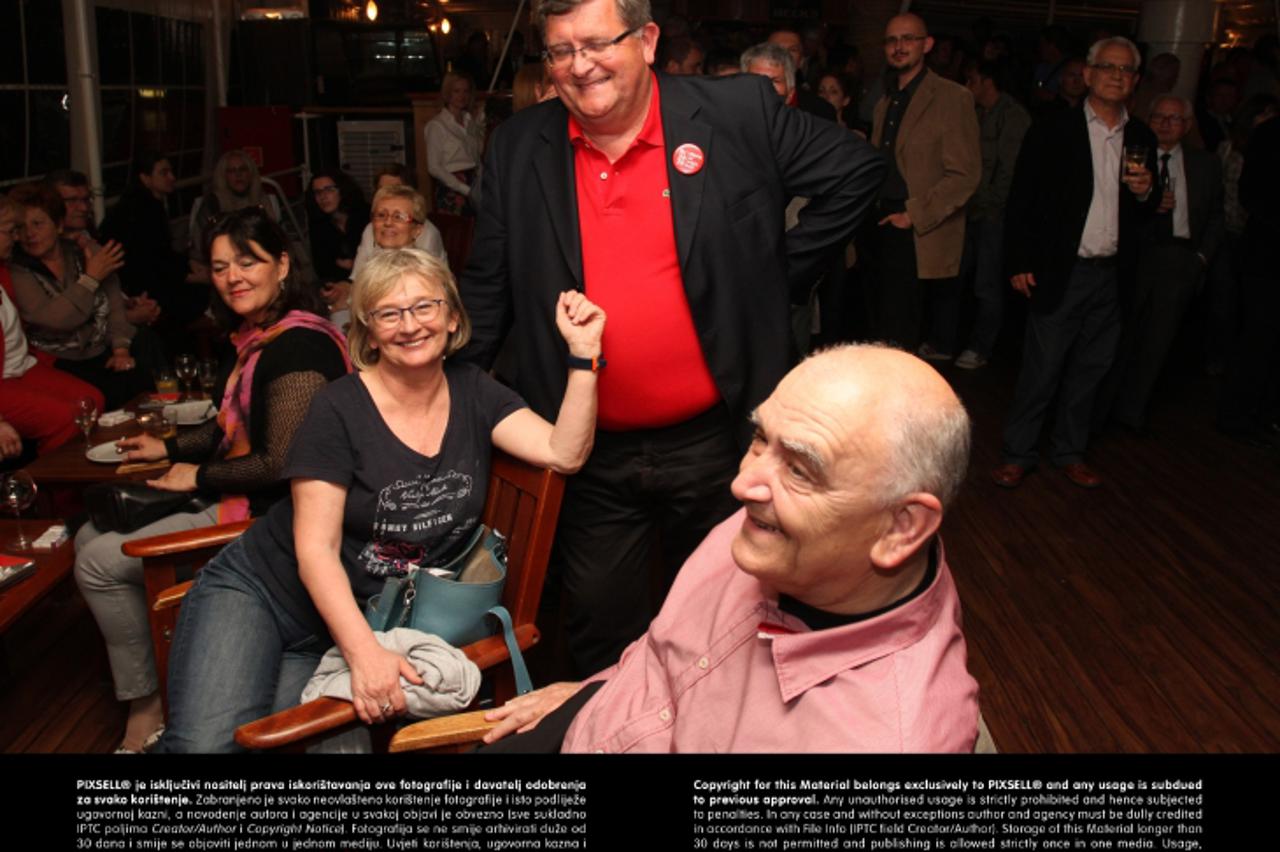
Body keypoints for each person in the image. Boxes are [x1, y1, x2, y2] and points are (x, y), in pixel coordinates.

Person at [459, 0, 884, 676]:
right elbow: (487, 289)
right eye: (561, 51)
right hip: (588, 451)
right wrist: (448, 402)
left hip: (719, 442)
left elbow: (859, 174)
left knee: (735, 622)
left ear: (648, 39)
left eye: (597, 43)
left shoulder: (737, 113)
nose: (580, 65)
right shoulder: (519, 146)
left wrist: (777, 276)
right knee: (601, 632)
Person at [158, 248, 605, 752]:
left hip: (360, 622)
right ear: (369, 331)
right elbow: (316, 551)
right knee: (206, 747)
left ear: (452, 316)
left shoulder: (477, 392)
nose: (409, 325)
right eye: (389, 313)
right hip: (266, 594)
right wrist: (365, 654)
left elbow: (563, 453)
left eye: (424, 307)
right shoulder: (337, 408)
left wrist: (583, 355)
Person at [481, 344, 979, 753]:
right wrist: (597, 690)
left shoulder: (886, 738)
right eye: (762, 440)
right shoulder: (769, 530)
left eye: (801, 470)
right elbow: (664, 651)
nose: (744, 485)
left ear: (902, 527)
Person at [74, 208, 351, 753]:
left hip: (267, 526)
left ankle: (148, 703)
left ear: (284, 264)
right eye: (221, 266)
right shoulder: (258, 336)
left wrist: (195, 473)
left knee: (95, 562)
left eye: (249, 262)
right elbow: (230, 426)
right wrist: (169, 446)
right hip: (241, 500)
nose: (233, 278)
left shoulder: (299, 347)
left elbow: (279, 463)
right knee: (86, 535)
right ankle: (166, 667)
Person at [992, 37, 1158, 489]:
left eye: (1126, 70)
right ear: (1088, 74)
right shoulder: (1053, 129)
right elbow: (1022, 197)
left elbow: (1149, 207)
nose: (1117, 76)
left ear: (1136, 81)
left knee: (1092, 371)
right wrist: (1020, 260)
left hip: (1113, 274)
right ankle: (1018, 453)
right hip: (1061, 270)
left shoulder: (1141, 136)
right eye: (1108, 67)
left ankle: (1070, 451)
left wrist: (1146, 191)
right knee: (1041, 369)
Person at [1099, 96, 1223, 433]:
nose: (1166, 124)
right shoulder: (1132, 156)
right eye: (1158, 117)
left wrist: (1200, 259)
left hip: (1181, 260)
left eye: (1174, 118)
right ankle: (1101, 411)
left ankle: (1131, 412)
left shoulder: (1206, 164)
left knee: (1158, 341)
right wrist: (1147, 202)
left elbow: (1215, 218)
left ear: (1186, 125)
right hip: (1140, 257)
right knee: (1120, 337)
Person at [867, 13, 981, 358]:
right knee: (878, 330)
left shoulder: (952, 97)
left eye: (908, 39)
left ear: (927, 45)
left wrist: (912, 215)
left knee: (902, 335)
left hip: (914, 227)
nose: (899, 47)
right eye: (891, 40)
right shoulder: (886, 100)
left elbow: (965, 175)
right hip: (877, 222)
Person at [6, 182, 150, 410]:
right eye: (20, 228)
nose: (29, 234)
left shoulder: (84, 252)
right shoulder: (17, 270)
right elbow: (55, 320)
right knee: (102, 395)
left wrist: (120, 349)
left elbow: (114, 305)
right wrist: (90, 279)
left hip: (100, 348)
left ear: (59, 224)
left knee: (144, 361)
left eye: (37, 224)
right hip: (56, 360)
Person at [0, 193, 105, 461]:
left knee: (90, 401)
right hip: (4, 382)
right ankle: (51, 492)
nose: (17, 237)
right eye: (11, 231)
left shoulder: (3, 270)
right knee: (67, 418)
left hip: (22, 367)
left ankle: (84, 483)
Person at [954, 58, 1031, 370]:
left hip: (993, 215)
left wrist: (990, 208)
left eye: (971, 79)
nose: (967, 86)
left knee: (988, 284)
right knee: (958, 279)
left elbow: (1009, 173)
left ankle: (981, 347)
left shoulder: (1013, 117)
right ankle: (953, 339)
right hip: (968, 210)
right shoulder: (974, 112)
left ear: (987, 81)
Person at [99, 151, 209, 328]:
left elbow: (161, 252)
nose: (172, 177)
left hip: (147, 277)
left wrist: (189, 263)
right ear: (145, 178)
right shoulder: (139, 209)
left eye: (171, 172)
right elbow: (148, 262)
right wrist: (192, 277)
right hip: (134, 286)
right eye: (163, 173)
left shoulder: (150, 204)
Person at [189, 150, 284, 256]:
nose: (238, 175)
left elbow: (275, 236)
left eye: (243, 169)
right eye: (231, 171)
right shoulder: (213, 202)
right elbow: (201, 241)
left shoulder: (262, 198)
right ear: (224, 176)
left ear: (250, 173)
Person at [425, 72, 484, 216]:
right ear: (447, 93)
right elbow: (434, 167)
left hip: (474, 184)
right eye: (456, 91)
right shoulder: (437, 125)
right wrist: (463, 188)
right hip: (452, 188)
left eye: (466, 91)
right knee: (457, 236)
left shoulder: (470, 122)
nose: (462, 96)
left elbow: (477, 157)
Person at [306, 169, 369, 288]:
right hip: (340, 285)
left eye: (329, 190)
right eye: (317, 192)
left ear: (343, 190)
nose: (323, 197)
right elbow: (322, 267)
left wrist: (350, 264)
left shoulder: (365, 215)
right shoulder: (319, 225)